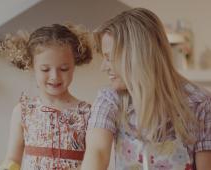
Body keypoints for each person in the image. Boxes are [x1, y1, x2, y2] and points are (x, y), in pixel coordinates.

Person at [81, 8, 211, 170]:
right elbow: (97, 152)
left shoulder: (200, 103)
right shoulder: (109, 99)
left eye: (109, 58)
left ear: (136, 56)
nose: (104, 67)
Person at [0, 24, 92, 170]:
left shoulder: (87, 114)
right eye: (45, 69)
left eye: (64, 68)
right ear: (31, 66)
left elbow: (94, 161)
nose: (55, 76)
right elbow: (12, 159)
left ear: (75, 64)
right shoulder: (23, 111)